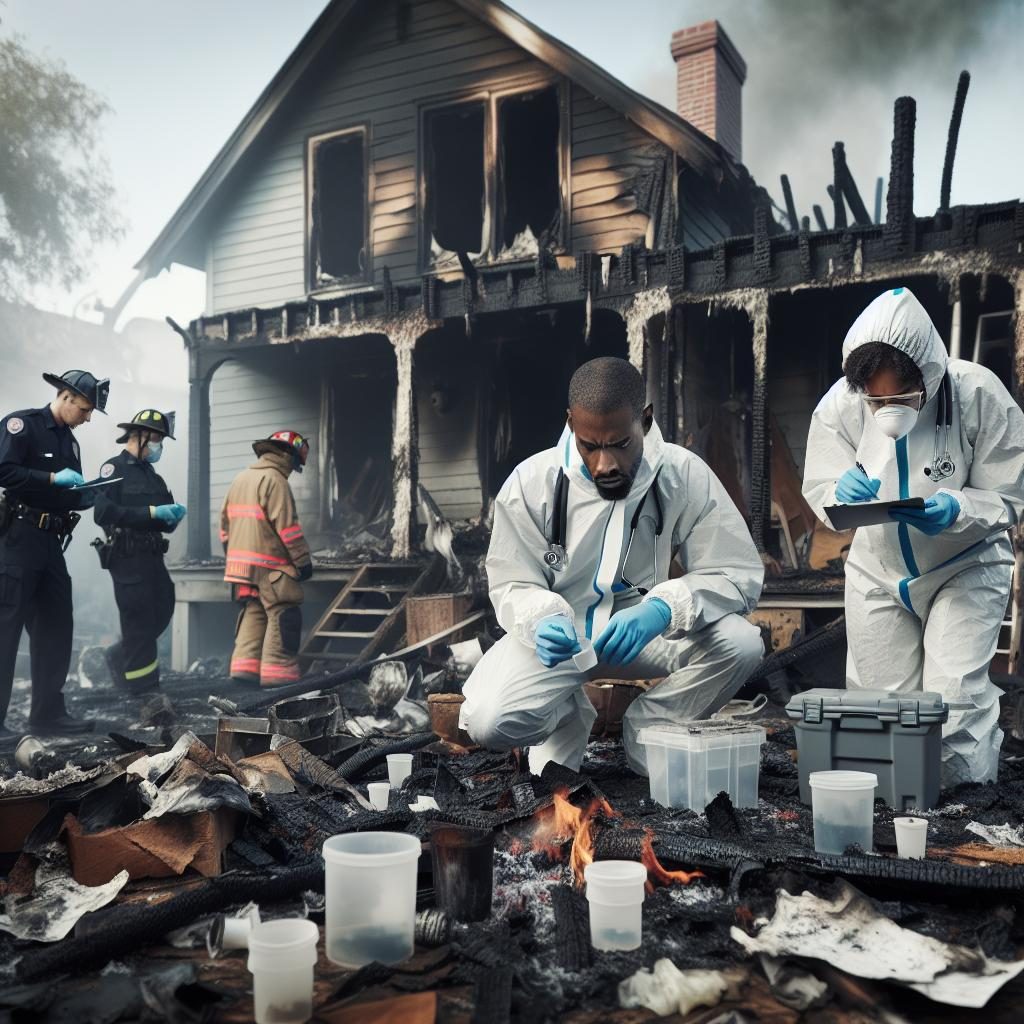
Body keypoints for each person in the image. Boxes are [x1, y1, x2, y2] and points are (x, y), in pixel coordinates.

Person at [459, 357, 764, 775]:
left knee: (742, 643)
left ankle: (650, 726)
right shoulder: (531, 484)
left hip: (645, 637)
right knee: (488, 720)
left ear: (645, 419)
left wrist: (663, 609)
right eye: (589, 445)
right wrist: (541, 620)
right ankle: (567, 714)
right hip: (561, 645)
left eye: (620, 444)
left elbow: (736, 573)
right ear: (570, 423)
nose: (605, 463)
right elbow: (512, 580)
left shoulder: (683, 474)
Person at [803, 287, 1024, 786]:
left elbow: (1011, 490)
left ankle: (966, 813)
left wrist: (959, 508)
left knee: (952, 708)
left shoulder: (976, 392)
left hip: (963, 564)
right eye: (877, 399)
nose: (888, 409)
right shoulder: (841, 403)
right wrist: (838, 489)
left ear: (927, 372)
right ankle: (888, 818)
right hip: (878, 571)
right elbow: (819, 484)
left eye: (902, 397)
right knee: (879, 712)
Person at [0, 369, 110, 737]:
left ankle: (47, 713)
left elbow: (68, 494)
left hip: (50, 543)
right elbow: (4, 470)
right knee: (6, 628)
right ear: (65, 397)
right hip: (17, 540)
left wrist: (91, 493)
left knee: (56, 626)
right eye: (85, 408)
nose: (88, 417)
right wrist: (49, 478)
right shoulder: (22, 426)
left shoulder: (70, 443)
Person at [93, 409, 186, 691]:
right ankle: (143, 691)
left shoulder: (153, 477)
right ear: (139, 435)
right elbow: (103, 513)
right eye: (157, 438)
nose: (160, 446)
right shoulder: (113, 469)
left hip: (152, 556)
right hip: (126, 556)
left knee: (164, 606)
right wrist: (150, 511)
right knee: (139, 618)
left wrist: (171, 517)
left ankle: (122, 655)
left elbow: (163, 523)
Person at [221, 430, 313, 686]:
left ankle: (244, 670)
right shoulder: (276, 481)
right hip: (270, 565)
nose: (294, 470)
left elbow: (224, 527)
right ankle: (278, 674)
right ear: (287, 456)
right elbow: (288, 529)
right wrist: (303, 562)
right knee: (284, 610)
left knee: (255, 610)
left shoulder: (240, 478)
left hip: (240, 566)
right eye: (295, 464)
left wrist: (234, 557)